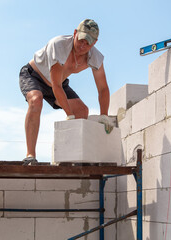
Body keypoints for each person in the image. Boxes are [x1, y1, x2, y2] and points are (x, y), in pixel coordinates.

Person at [19, 19, 111, 165]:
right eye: (81, 40)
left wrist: (104, 115)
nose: (83, 46)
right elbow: (56, 86)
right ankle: (30, 155)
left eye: (88, 43)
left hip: (59, 82)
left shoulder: (95, 57)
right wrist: (69, 115)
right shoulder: (59, 45)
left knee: (82, 110)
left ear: (94, 43)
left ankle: (72, 158)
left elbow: (103, 88)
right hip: (34, 76)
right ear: (75, 33)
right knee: (36, 100)